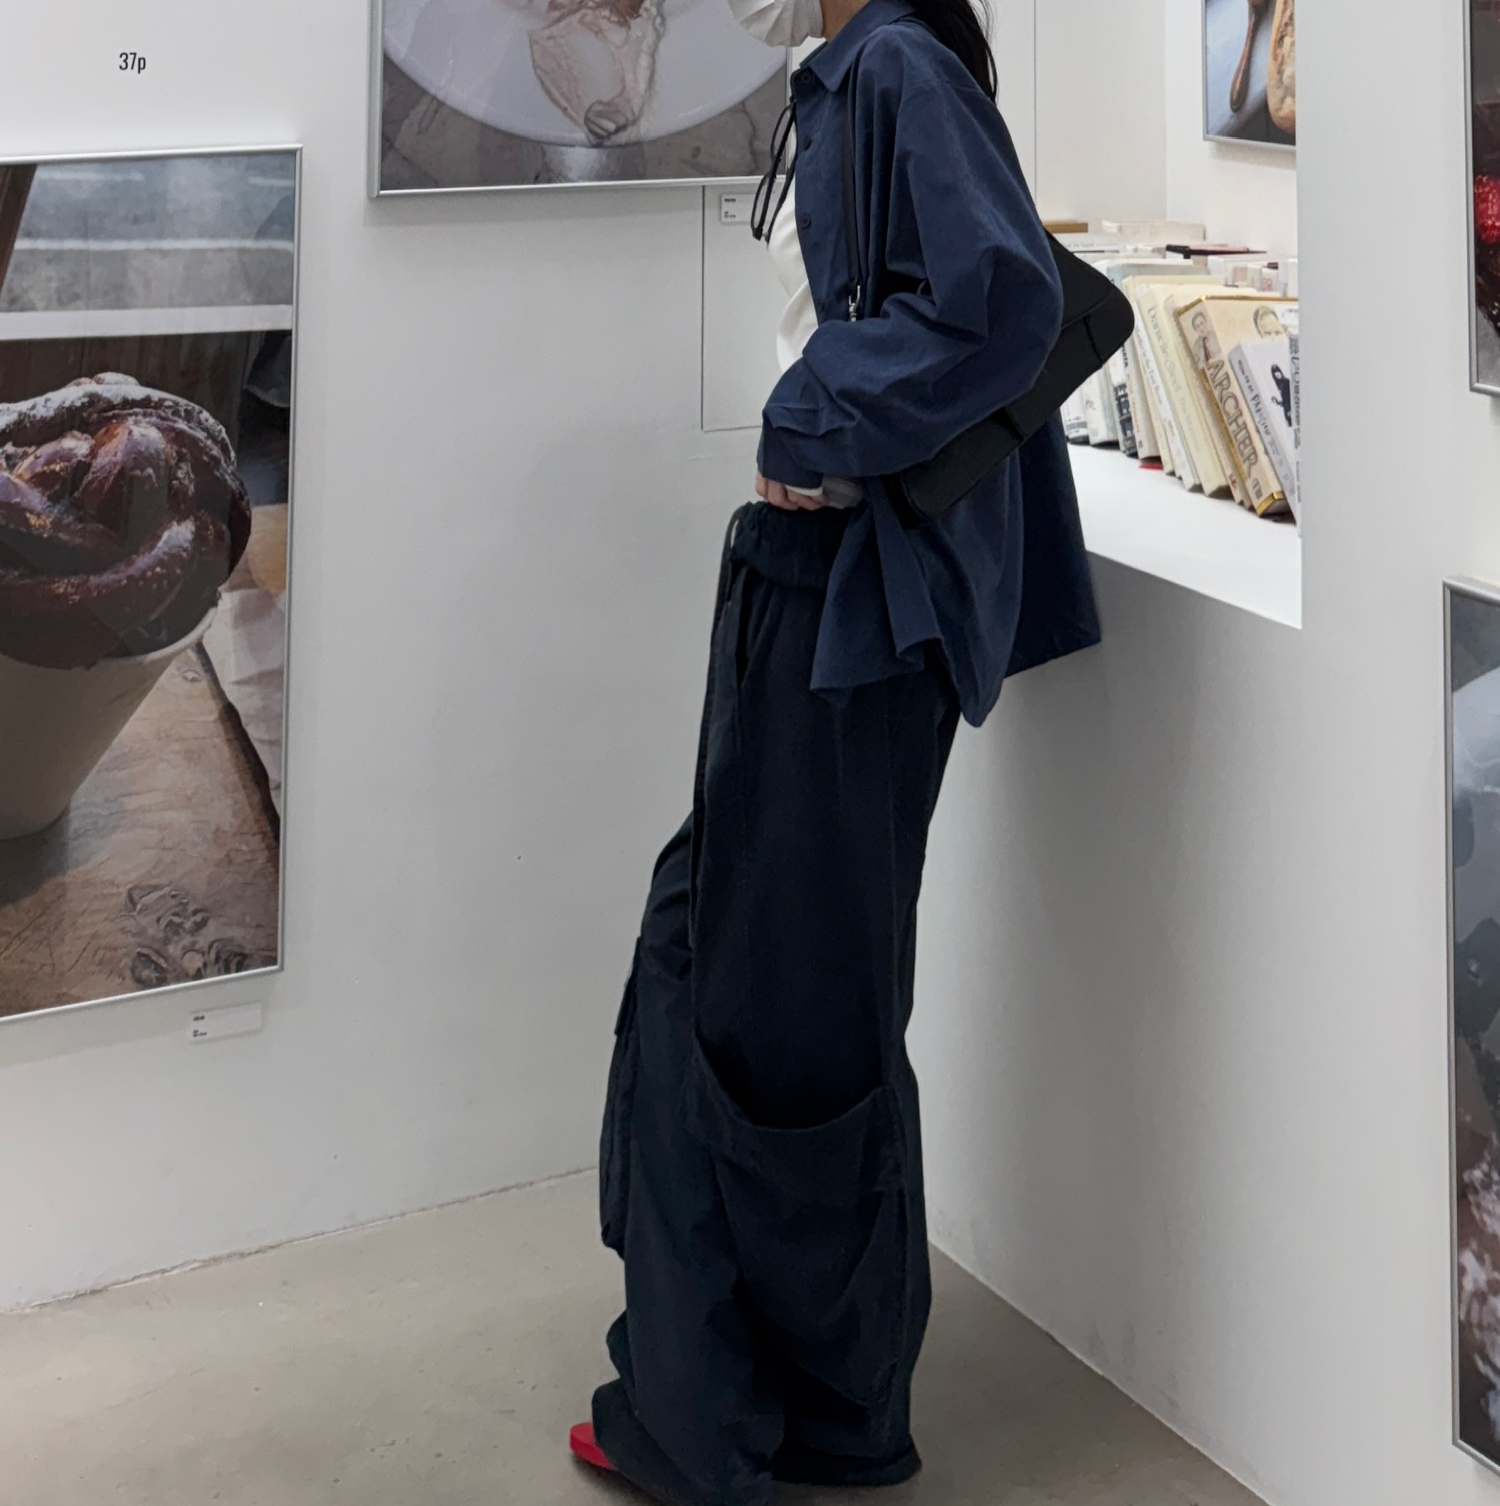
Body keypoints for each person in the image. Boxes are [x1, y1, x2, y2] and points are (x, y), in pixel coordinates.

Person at [569, 0, 1100, 1498]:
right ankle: (756, 1392)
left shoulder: (897, 67)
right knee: (735, 971)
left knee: (783, 1015)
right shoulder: (861, 73)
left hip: (853, 601)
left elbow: (1002, 302)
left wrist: (809, 419)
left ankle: (763, 1412)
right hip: (828, 586)